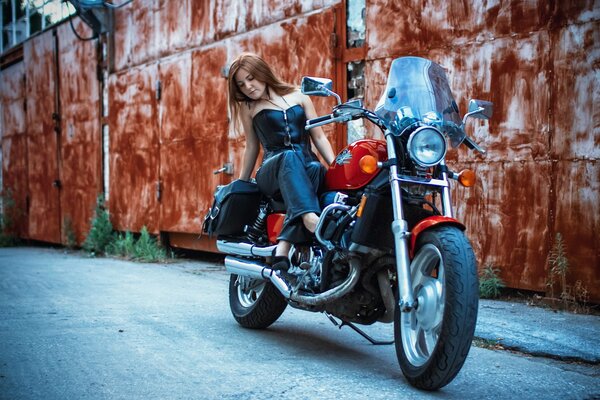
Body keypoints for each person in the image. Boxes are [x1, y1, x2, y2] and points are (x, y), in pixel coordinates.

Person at [227, 52, 335, 272]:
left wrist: (335, 166)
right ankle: (309, 218)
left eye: (251, 78)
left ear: (262, 73)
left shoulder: (299, 95)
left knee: (316, 168)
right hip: (272, 170)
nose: (248, 87)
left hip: (303, 167)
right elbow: (252, 147)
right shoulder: (248, 108)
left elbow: (319, 136)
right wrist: (242, 183)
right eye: (241, 84)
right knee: (290, 156)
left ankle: (284, 246)